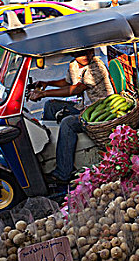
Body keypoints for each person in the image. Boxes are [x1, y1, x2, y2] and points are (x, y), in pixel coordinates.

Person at [29, 49, 114, 184]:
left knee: (68, 123)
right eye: (81, 53)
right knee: (50, 106)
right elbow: (68, 82)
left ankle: (63, 173)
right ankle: (51, 155)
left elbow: (76, 89)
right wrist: (46, 83)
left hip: (98, 112)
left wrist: (44, 94)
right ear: (73, 54)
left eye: (89, 52)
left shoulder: (96, 67)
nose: (86, 56)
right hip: (82, 107)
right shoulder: (73, 65)